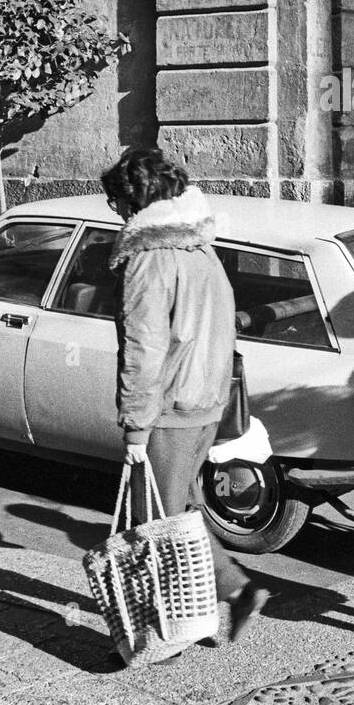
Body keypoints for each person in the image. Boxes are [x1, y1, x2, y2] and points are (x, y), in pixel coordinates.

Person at [102, 146, 268, 657]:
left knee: (156, 522)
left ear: (137, 198)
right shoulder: (201, 249)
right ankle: (198, 615)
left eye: (118, 202)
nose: (118, 212)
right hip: (204, 401)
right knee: (181, 512)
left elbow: (144, 346)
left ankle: (178, 625)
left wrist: (135, 427)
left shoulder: (148, 257)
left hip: (171, 406)